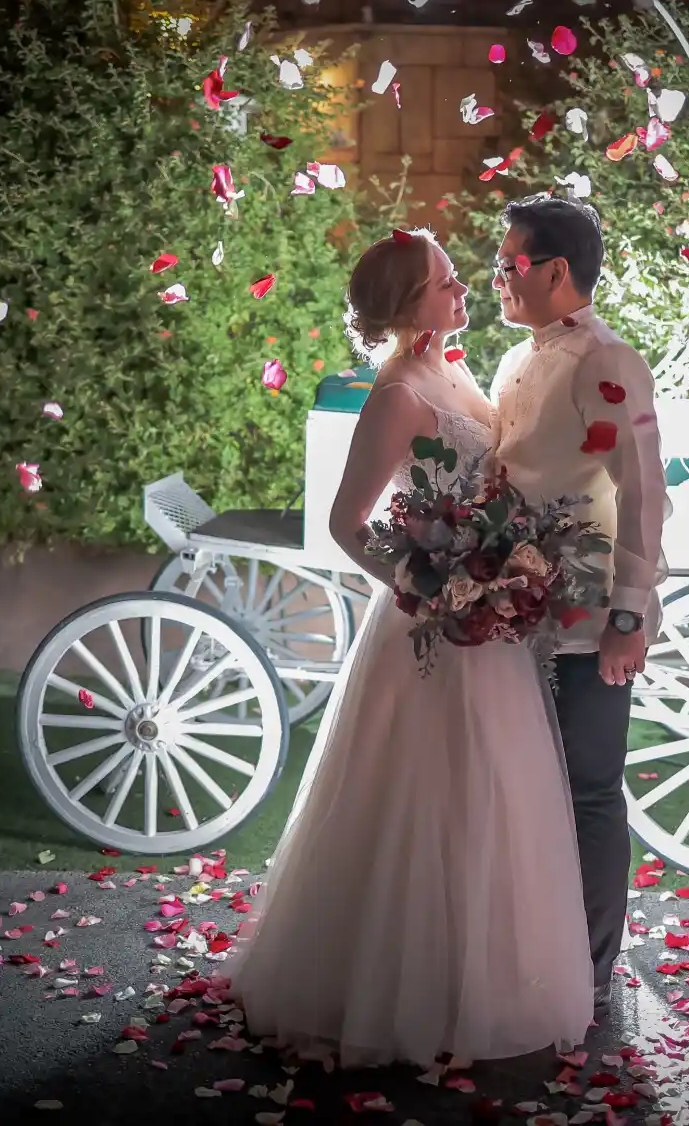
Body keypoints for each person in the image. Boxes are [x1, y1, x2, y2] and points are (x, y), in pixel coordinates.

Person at [221, 229, 594, 1069]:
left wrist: (505, 566)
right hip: (429, 623)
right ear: (405, 306)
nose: (463, 291)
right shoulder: (394, 396)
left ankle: (493, 978)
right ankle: (397, 988)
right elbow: (346, 524)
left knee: (500, 794)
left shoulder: (456, 369)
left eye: (460, 280)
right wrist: (429, 580)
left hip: (489, 623)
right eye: (445, 284)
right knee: (424, 801)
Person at [489, 193, 669, 1024]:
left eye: (510, 263)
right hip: (509, 611)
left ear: (558, 271)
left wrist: (629, 614)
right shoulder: (519, 357)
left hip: (586, 616)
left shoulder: (608, 359)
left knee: (591, 790)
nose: (498, 277)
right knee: (519, 790)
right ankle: (523, 957)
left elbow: (644, 491)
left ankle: (592, 974)